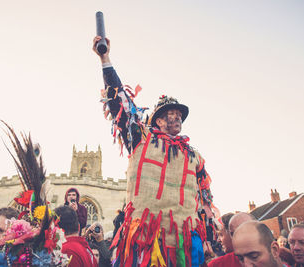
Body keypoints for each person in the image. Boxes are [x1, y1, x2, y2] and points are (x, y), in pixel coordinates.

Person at [93, 36, 217, 266]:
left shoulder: (195, 157)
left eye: (180, 114)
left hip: (184, 246)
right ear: (158, 120)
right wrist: (105, 59)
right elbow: (119, 102)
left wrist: (208, 236)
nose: (178, 116)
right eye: (172, 112)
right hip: (144, 244)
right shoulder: (141, 138)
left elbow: (205, 198)